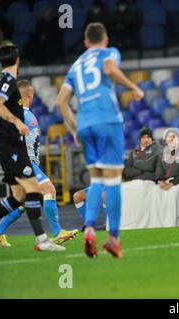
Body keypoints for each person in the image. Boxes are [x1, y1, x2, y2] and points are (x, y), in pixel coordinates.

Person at [56, 23, 144, 258]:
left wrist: (74, 128)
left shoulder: (75, 65)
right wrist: (133, 87)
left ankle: (90, 229)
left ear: (85, 43)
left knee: (96, 179)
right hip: (107, 120)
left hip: (84, 124)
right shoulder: (109, 52)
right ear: (105, 40)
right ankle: (113, 239)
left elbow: (61, 102)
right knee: (113, 181)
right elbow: (109, 70)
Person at [0, 45, 64, 251]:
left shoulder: (2, 81)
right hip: (12, 145)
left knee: (18, 197)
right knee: (34, 190)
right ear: (18, 60)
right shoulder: (7, 80)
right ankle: (42, 240)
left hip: (8, 144)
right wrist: (16, 122)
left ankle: (38, 238)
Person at [0, 80, 79, 247]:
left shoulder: (18, 113)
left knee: (21, 201)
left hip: (25, 162)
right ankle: (57, 232)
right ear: (30, 95)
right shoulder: (23, 114)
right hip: (26, 163)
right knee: (50, 189)